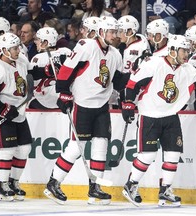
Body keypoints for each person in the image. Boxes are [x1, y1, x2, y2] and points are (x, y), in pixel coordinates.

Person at [121, 35, 196, 207]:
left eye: (188, 50)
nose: (187, 54)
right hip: (150, 115)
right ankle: (131, 185)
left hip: (171, 116)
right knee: (148, 155)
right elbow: (132, 84)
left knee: (173, 154)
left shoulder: (187, 69)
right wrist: (128, 104)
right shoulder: (154, 64)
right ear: (172, 50)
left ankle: (165, 190)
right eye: (184, 50)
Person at [43, 16, 130, 205]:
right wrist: (63, 92)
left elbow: (117, 81)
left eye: (116, 32)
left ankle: (95, 188)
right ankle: (53, 182)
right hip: (82, 104)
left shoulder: (115, 54)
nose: (115, 35)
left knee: (101, 146)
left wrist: (134, 76)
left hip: (101, 107)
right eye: (111, 32)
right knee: (76, 147)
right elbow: (68, 69)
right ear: (100, 32)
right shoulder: (86, 46)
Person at [0, 33, 33, 201]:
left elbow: (32, 74)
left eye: (18, 47)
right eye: (15, 48)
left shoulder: (22, 60)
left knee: (24, 149)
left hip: (20, 112)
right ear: (4, 50)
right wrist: (4, 110)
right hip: (3, 113)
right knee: (7, 149)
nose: (19, 50)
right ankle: (2, 185)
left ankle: (14, 182)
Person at [28, 26, 71, 109]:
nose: (35, 42)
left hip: (46, 99)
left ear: (45, 42)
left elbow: (32, 84)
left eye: (37, 39)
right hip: (65, 96)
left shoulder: (38, 58)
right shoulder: (66, 51)